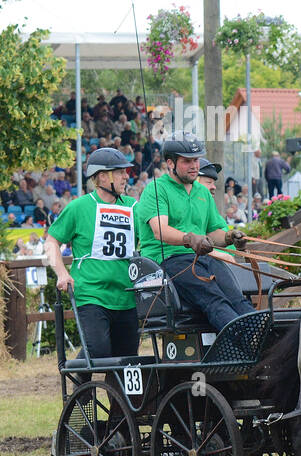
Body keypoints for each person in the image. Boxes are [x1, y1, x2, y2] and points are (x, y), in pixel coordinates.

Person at [136, 134, 253, 331]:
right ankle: (244, 342)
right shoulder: (156, 190)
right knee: (215, 301)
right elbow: (160, 231)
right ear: (171, 163)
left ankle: (261, 339)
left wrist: (228, 236)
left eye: (196, 160)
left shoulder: (202, 192)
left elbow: (213, 233)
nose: (194, 166)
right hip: (168, 261)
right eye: (187, 161)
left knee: (237, 299)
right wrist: (189, 238)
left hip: (202, 259)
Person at [44, 147, 140, 361]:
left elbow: (151, 240)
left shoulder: (134, 207)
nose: (126, 176)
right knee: (98, 352)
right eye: (120, 172)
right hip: (91, 293)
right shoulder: (79, 207)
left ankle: (116, 395)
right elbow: (51, 241)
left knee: (127, 360)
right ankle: (79, 384)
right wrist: (62, 273)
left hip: (127, 295)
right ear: (103, 177)